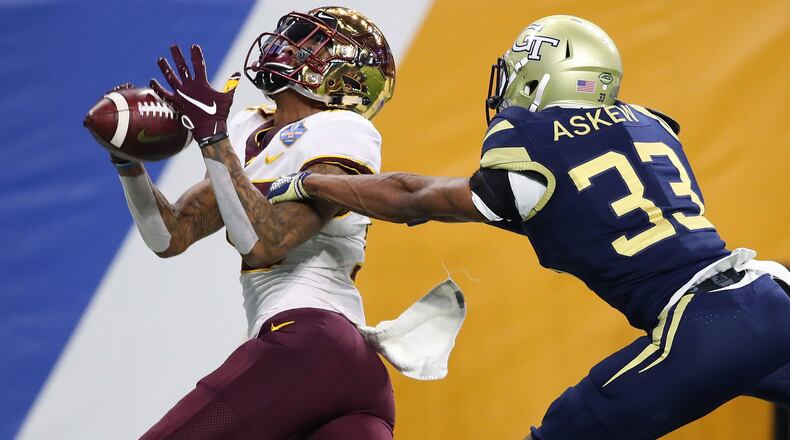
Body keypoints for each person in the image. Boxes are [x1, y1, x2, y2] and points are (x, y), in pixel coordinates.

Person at [266, 15, 790, 439]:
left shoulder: (533, 136)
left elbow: (413, 198)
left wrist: (311, 184)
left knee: (566, 431)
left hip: (703, 321)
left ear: (542, 76)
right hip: (768, 293)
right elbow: (581, 218)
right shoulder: (648, 123)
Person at [105, 7, 400, 439]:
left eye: (313, 44)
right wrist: (126, 161)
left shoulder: (345, 128)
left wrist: (212, 138)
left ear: (347, 81)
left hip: (312, 342)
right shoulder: (248, 128)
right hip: (329, 372)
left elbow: (267, 242)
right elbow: (171, 235)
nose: (290, 46)